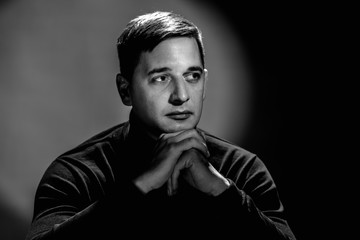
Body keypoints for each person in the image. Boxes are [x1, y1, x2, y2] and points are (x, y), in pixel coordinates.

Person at [26, 11, 296, 240]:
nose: (181, 95)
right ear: (125, 90)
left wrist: (222, 192)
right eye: (161, 78)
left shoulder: (243, 169)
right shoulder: (77, 173)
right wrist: (141, 186)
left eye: (192, 76)